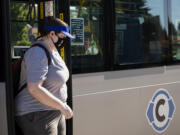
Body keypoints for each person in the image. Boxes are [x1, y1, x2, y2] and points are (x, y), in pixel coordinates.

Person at [15, 16, 74, 135]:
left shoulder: (53, 50)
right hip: (37, 114)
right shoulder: (38, 52)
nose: (64, 41)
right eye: (62, 37)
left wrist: (60, 107)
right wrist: (62, 106)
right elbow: (34, 88)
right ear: (52, 34)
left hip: (54, 111)